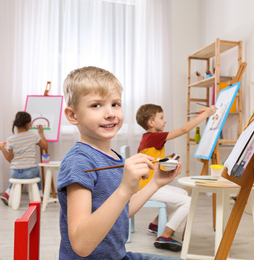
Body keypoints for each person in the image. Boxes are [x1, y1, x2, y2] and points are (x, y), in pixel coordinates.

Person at [57, 66, 183, 260]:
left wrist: (156, 182)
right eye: (96, 105)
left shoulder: (113, 156)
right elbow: (81, 245)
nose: (110, 113)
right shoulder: (79, 161)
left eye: (115, 104)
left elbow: (122, 211)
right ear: (73, 115)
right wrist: (124, 189)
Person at [135, 103, 217, 252]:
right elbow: (184, 130)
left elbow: (151, 159)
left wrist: (165, 159)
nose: (165, 121)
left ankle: (155, 224)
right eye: (161, 117)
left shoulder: (149, 138)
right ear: (151, 123)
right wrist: (206, 114)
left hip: (147, 184)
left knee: (183, 193)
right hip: (148, 186)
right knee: (189, 201)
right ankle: (165, 235)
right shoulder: (154, 137)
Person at [0, 111, 48, 205]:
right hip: (30, 173)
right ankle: (40, 194)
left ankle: (8, 192)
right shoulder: (33, 135)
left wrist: (2, 149)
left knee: (20, 169)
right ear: (28, 124)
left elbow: (9, 159)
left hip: (14, 173)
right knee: (36, 168)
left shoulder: (10, 139)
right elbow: (45, 147)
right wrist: (41, 133)